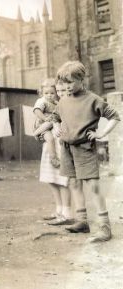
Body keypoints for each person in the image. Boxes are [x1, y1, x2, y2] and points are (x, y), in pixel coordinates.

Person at [54, 60, 120, 242]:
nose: (65, 87)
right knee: (74, 183)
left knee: (93, 185)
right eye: (63, 83)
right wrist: (55, 127)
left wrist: (101, 133)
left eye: (69, 82)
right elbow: (55, 118)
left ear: (81, 79)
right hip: (67, 148)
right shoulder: (63, 101)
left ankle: (105, 227)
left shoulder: (93, 100)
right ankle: (82, 221)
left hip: (85, 148)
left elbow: (114, 116)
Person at [40, 80, 74, 226]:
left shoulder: (65, 105)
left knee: (62, 179)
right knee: (51, 178)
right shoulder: (47, 106)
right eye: (48, 93)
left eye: (56, 92)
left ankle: (67, 213)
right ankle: (59, 210)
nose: (54, 95)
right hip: (49, 144)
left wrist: (53, 125)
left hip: (60, 142)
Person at [33, 79, 60, 168]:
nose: (49, 95)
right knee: (50, 139)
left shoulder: (56, 103)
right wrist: (45, 118)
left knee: (52, 137)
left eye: (52, 93)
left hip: (51, 126)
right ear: (42, 93)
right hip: (42, 125)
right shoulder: (42, 101)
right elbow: (37, 110)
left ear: (56, 93)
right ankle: (53, 159)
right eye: (46, 93)